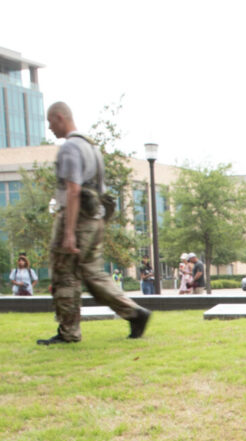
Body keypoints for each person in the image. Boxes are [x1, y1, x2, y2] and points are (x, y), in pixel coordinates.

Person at [38, 101, 150, 346]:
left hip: (77, 220)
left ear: (59, 117)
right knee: (93, 274)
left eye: (50, 122)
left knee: (65, 274)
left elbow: (73, 189)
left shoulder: (69, 148)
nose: (50, 128)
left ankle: (68, 332)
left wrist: (68, 232)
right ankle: (135, 313)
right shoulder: (92, 148)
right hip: (95, 219)